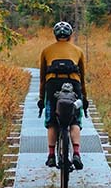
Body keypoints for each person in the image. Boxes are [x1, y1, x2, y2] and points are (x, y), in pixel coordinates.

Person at [37, 21, 89, 170]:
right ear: (70, 35)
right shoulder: (78, 51)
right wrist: (83, 97)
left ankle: (52, 155)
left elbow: (42, 77)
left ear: (55, 35)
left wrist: (42, 98)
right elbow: (82, 76)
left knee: (52, 120)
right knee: (75, 120)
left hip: (52, 85)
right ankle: (77, 154)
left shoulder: (46, 51)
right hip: (74, 85)